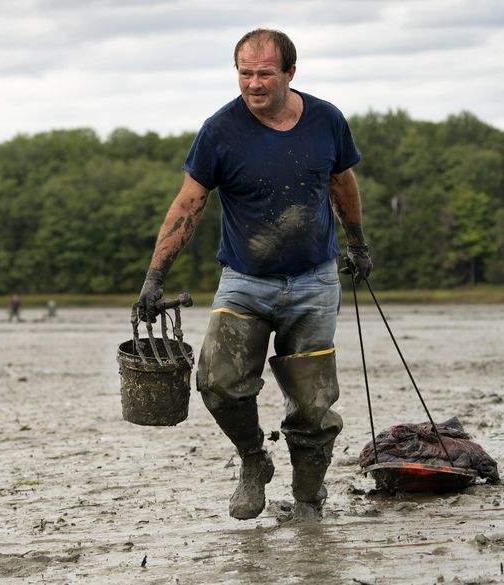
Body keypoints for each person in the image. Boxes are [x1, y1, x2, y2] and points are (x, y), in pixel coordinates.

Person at [136, 28, 372, 522]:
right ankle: (252, 458)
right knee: (217, 382)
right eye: (245, 73)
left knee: (312, 402)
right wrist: (155, 276)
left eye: (265, 73)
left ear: (290, 71)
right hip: (245, 282)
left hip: (314, 282)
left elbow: (343, 183)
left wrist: (357, 244)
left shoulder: (327, 120)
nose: (254, 83)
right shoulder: (220, 131)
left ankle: (308, 501)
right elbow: (189, 204)